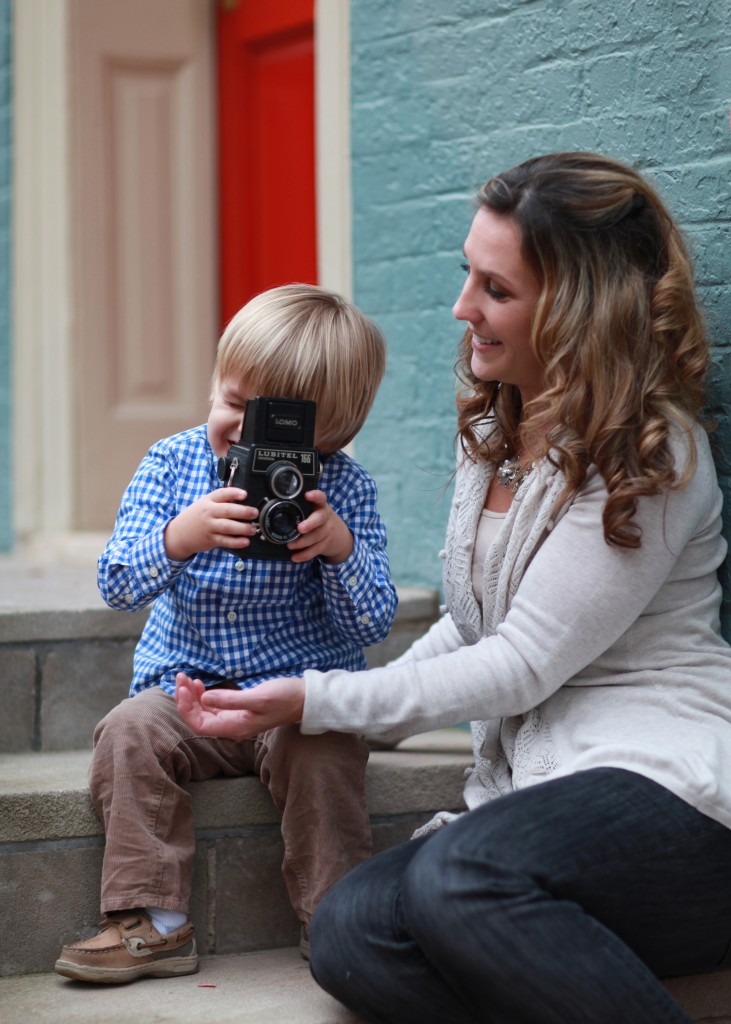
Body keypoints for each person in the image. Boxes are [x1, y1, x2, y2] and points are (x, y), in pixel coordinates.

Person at [175, 153, 731, 1023]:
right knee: (352, 930)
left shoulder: (651, 459)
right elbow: (470, 630)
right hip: (537, 801)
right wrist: (305, 705)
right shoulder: (496, 438)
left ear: (577, 310)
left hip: (670, 798)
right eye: (466, 275)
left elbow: (519, 664)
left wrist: (315, 699)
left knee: (456, 878)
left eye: (495, 289)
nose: (461, 307)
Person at [54, 283, 398, 985]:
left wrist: (337, 551)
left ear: (329, 436)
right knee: (126, 732)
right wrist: (178, 538)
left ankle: (336, 920)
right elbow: (116, 583)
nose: (243, 434)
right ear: (215, 384)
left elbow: (373, 621)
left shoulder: (345, 488)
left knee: (326, 748)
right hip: (184, 694)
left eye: (279, 428)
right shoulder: (172, 463)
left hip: (294, 699)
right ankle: (154, 921)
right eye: (234, 404)